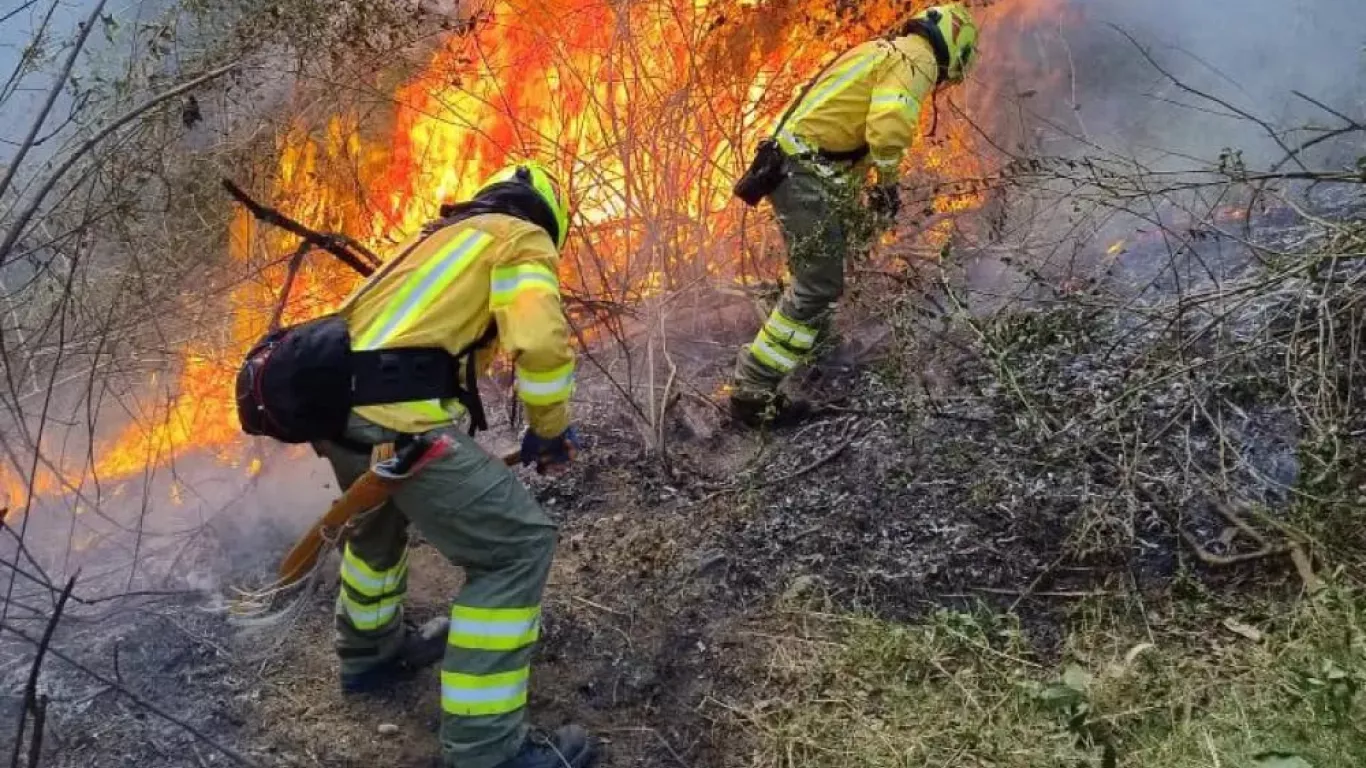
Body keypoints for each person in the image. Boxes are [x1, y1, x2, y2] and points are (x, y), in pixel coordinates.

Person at [313, 162, 598, 768]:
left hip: (334, 410)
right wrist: (550, 430)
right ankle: (486, 751)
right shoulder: (520, 237)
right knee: (514, 549)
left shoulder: (433, 240)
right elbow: (542, 342)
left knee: (376, 525)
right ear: (547, 216)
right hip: (396, 418)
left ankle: (369, 656)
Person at [729, 3, 980, 426]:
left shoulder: (884, 49)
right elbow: (889, 123)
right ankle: (752, 393)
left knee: (829, 267)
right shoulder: (914, 59)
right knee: (817, 284)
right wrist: (886, 183)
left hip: (802, 169)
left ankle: (815, 354)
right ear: (957, 46)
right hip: (806, 173)